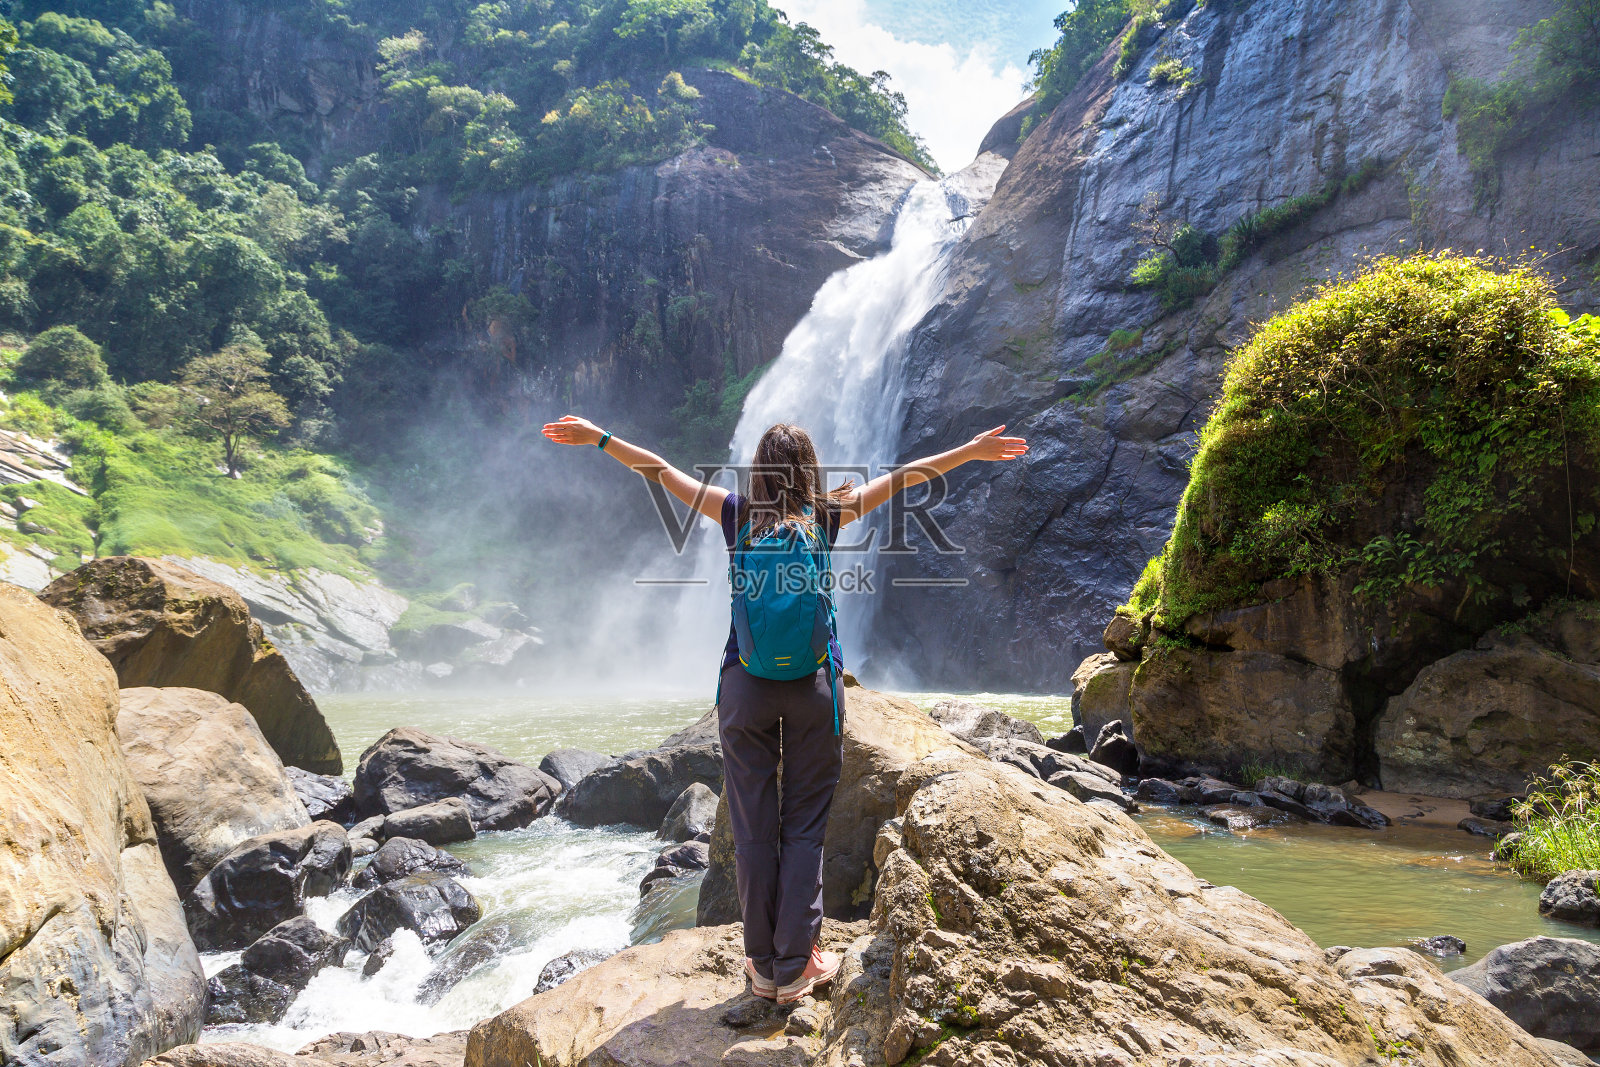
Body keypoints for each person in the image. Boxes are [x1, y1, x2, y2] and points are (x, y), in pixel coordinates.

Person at [541, 414, 1028, 1002]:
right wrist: (970, 451)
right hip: (813, 688)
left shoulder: (735, 514)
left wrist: (599, 438)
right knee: (803, 828)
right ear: (808, 470)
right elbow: (905, 477)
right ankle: (798, 964)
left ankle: (762, 967)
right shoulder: (827, 515)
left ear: (759, 471)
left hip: (744, 687)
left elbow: (661, 471)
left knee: (752, 829)